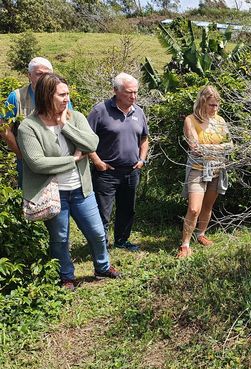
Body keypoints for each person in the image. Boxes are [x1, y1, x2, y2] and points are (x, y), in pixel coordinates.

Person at [17, 73, 121, 290]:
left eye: (68, 94)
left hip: (81, 189)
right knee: (60, 238)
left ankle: (102, 267)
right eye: (62, 94)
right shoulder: (29, 127)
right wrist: (72, 159)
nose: (67, 99)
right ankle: (67, 276)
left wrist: (65, 126)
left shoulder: (76, 117)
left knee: (97, 232)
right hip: (54, 193)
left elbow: (92, 143)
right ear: (47, 95)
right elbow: (37, 163)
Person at [88, 73, 149, 252]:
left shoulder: (139, 112)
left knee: (127, 209)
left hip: (131, 171)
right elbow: (85, 140)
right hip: (106, 172)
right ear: (116, 91)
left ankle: (122, 241)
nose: (133, 96)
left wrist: (142, 160)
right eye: (129, 92)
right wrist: (97, 161)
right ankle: (101, 245)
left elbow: (144, 138)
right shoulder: (100, 110)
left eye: (136, 92)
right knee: (102, 211)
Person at [177, 86, 233, 258]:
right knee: (194, 208)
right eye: (211, 105)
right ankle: (185, 244)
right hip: (197, 168)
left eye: (216, 105)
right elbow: (195, 148)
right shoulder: (190, 120)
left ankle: (200, 234)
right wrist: (218, 148)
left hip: (217, 168)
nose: (214, 109)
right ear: (202, 102)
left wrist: (210, 149)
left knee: (208, 206)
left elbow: (230, 145)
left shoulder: (220, 121)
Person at [1, 57, 53, 188]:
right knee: (29, 198)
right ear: (29, 76)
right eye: (39, 74)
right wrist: (20, 154)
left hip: (55, 159)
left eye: (47, 74)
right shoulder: (17, 97)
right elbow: (4, 127)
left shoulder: (60, 94)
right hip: (26, 160)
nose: (43, 78)